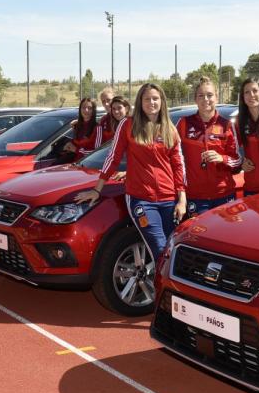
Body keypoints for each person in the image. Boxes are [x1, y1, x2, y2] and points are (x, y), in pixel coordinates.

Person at [76, 83, 186, 263]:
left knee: (171, 247)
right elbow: (113, 157)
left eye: (155, 98)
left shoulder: (170, 129)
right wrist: (97, 189)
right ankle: (162, 288)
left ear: (162, 102)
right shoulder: (128, 124)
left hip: (169, 199)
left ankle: (163, 285)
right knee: (160, 248)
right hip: (141, 199)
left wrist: (182, 199)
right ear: (140, 102)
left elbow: (178, 165)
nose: (151, 102)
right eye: (147, 99)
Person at [178, 76, 241, 215]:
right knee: (198, 236)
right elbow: (170, 155)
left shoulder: (227, 125)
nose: (205, 99)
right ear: (195, 99)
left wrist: (222, 158)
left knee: (226, 236)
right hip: (196, 196)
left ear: (216, 98)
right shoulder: (184, 123)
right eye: (201, 96)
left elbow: (238, 161)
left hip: (224, 194)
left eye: (209, 95)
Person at [63, 97, 98, 162]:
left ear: (93, 110)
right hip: (74, 164)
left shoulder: (97, 128)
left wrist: (76, 150)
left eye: (89, 108)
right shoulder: (76, 126)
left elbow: (97, 152)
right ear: (80, 109)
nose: (86, 110)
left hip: (88, 165)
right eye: (83, 107)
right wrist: (68, 146)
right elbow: (76, 143)